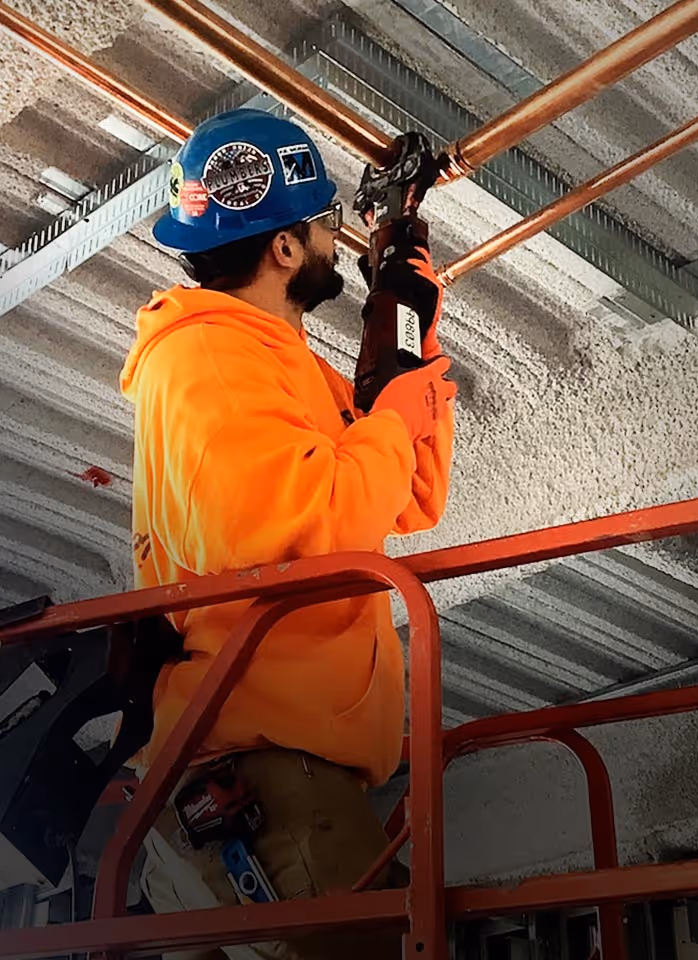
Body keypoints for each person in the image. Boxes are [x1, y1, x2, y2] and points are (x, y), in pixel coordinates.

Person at [120, 108, 457, 960]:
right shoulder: (205, 357)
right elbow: (316, 522)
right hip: (268, 771)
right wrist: (389, 416)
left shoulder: (276, 366)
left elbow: (406, 500)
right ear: (281, 249)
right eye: (324, 228)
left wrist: (407, 345)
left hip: (286, 771)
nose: (334, 244)